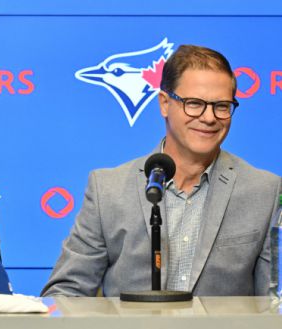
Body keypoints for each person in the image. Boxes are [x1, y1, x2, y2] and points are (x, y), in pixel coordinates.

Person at [42, 45, 282, 297]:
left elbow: (274, 302)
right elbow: (66, 293)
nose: (209, 117)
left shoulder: (265, 192)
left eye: (221, 106)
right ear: (165, 104)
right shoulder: (108, 190)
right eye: (194, 103)